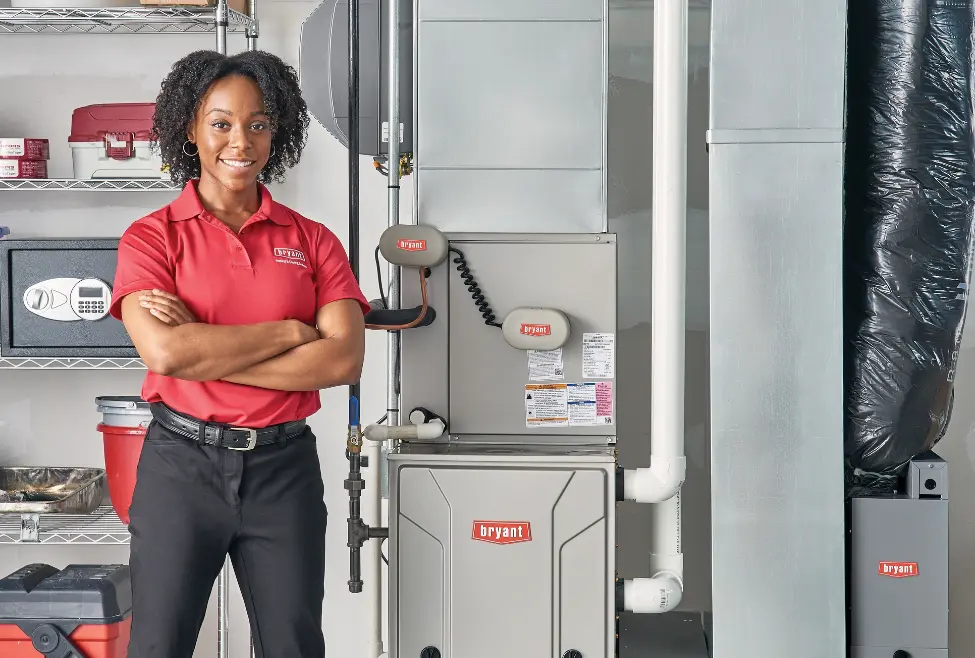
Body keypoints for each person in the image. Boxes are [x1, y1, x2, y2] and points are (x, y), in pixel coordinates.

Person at [109, 49, 370, 658]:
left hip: (284, 472)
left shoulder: (313, 240)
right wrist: (287, 330)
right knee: (158, 645)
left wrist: (210, 347)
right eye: (221, 123)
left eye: (258, 124)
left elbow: (342, 362)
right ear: (191, 131)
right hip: (181, 466)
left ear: (276, 131)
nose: (241, 141)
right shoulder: (151, 238)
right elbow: (167, 354)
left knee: (293, 646)